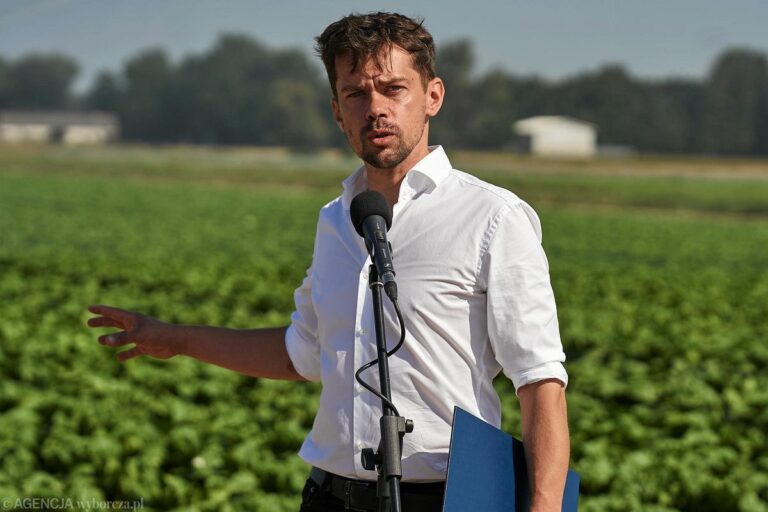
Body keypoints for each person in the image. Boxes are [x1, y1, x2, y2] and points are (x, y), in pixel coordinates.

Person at [88, 11, 570, 512]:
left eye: (394, 89)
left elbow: (540, 380)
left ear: (433, 96)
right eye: (356, 94)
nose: (375, 109)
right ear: (338, 112)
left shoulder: (493, 217)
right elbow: (301, 354)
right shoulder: (336, 220)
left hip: (444, 498)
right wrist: (175, 338)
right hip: (329, 497)